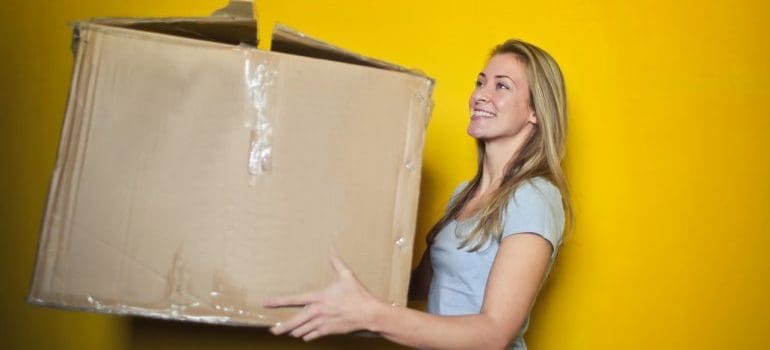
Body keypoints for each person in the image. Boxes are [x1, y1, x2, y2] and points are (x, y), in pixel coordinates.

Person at [264, 39, 571, 350]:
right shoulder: (463, 195)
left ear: (535, 111)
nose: (480, 95)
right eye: (481, 82)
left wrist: (372, 316)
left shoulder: (533, 197)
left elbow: (494, 333)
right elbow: (421, 285)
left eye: (502, 87)